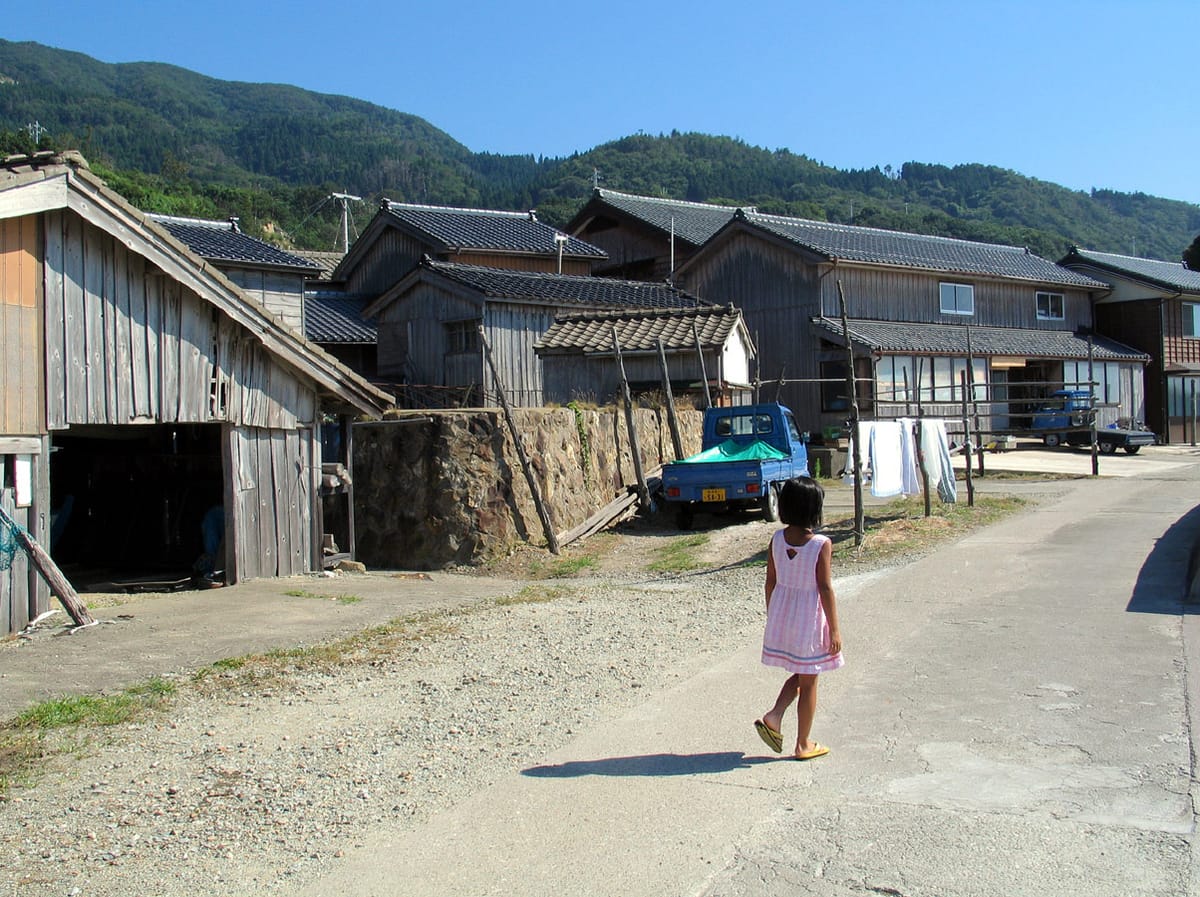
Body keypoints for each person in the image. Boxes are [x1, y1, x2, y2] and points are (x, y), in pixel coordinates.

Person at [754, 477, 843, 760]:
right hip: (809, 619)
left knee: (807, 671)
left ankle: (775, 715)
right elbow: (825, 587)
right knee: (810, 679)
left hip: (783, 615)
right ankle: (803, 743)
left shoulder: (776, 539)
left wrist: (775, 616)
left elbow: (770, 581)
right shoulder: (820, 544)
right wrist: (835, 630)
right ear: (813, 509)